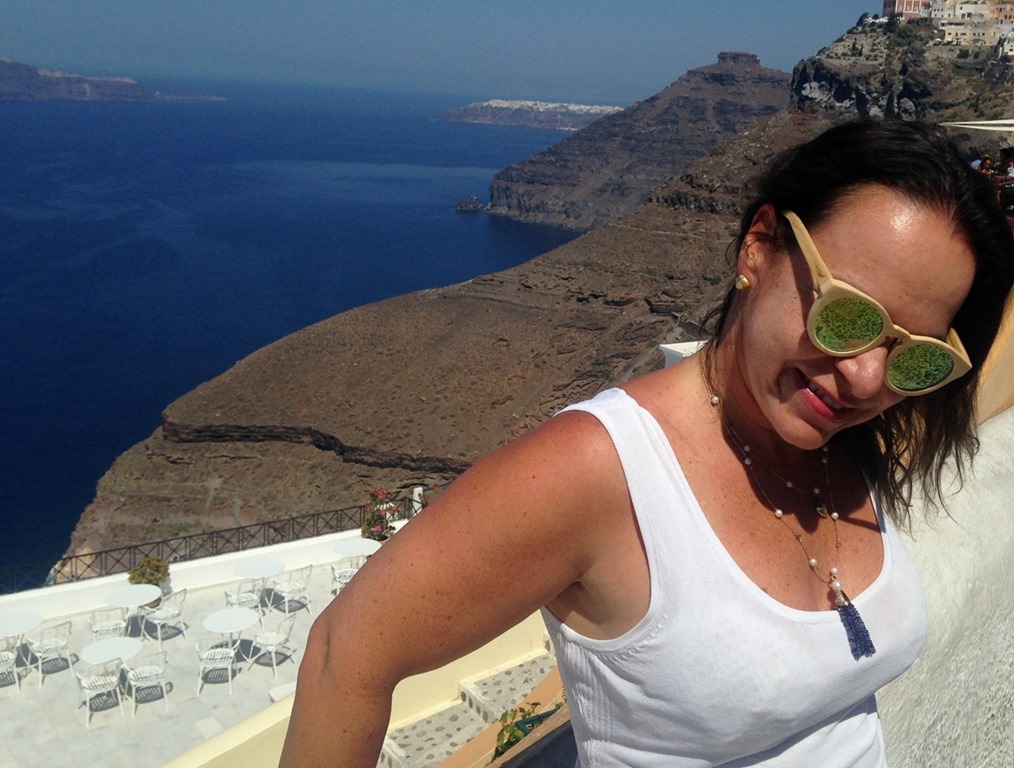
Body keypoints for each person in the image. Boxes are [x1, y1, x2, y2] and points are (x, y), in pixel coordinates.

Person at [279, 120, 1014, 767]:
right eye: (848, 315)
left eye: (916, 354)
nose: (865, 377)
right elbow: (346, 655)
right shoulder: (600, 470)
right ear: (759, 246)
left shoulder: (855, 438)